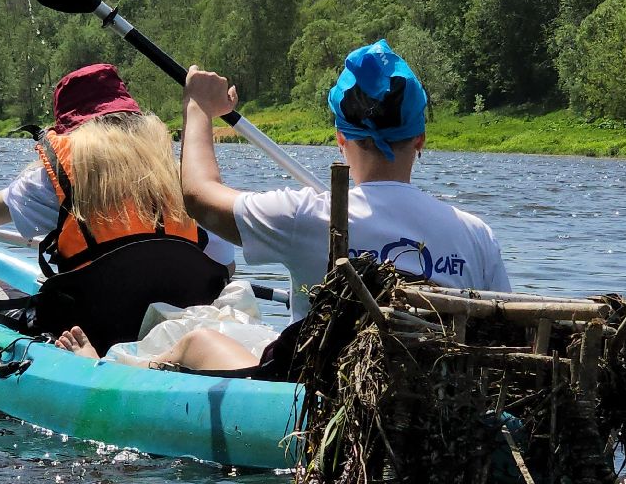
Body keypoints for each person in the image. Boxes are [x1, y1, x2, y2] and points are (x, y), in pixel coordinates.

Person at [54, 40, 510, 376]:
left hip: (321, 390)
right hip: (437, 392)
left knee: (195, 341)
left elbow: (198, 196)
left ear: (340, 138)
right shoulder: (476, 234)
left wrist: (198, 108)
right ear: (421, 140)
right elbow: (505, 339)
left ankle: (103, 369)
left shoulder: (307, 215)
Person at [0, 63, 238, 353]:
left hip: (84, 332)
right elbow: (224, 265)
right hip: (177, 325)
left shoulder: (62, 176)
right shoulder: (186, 179)